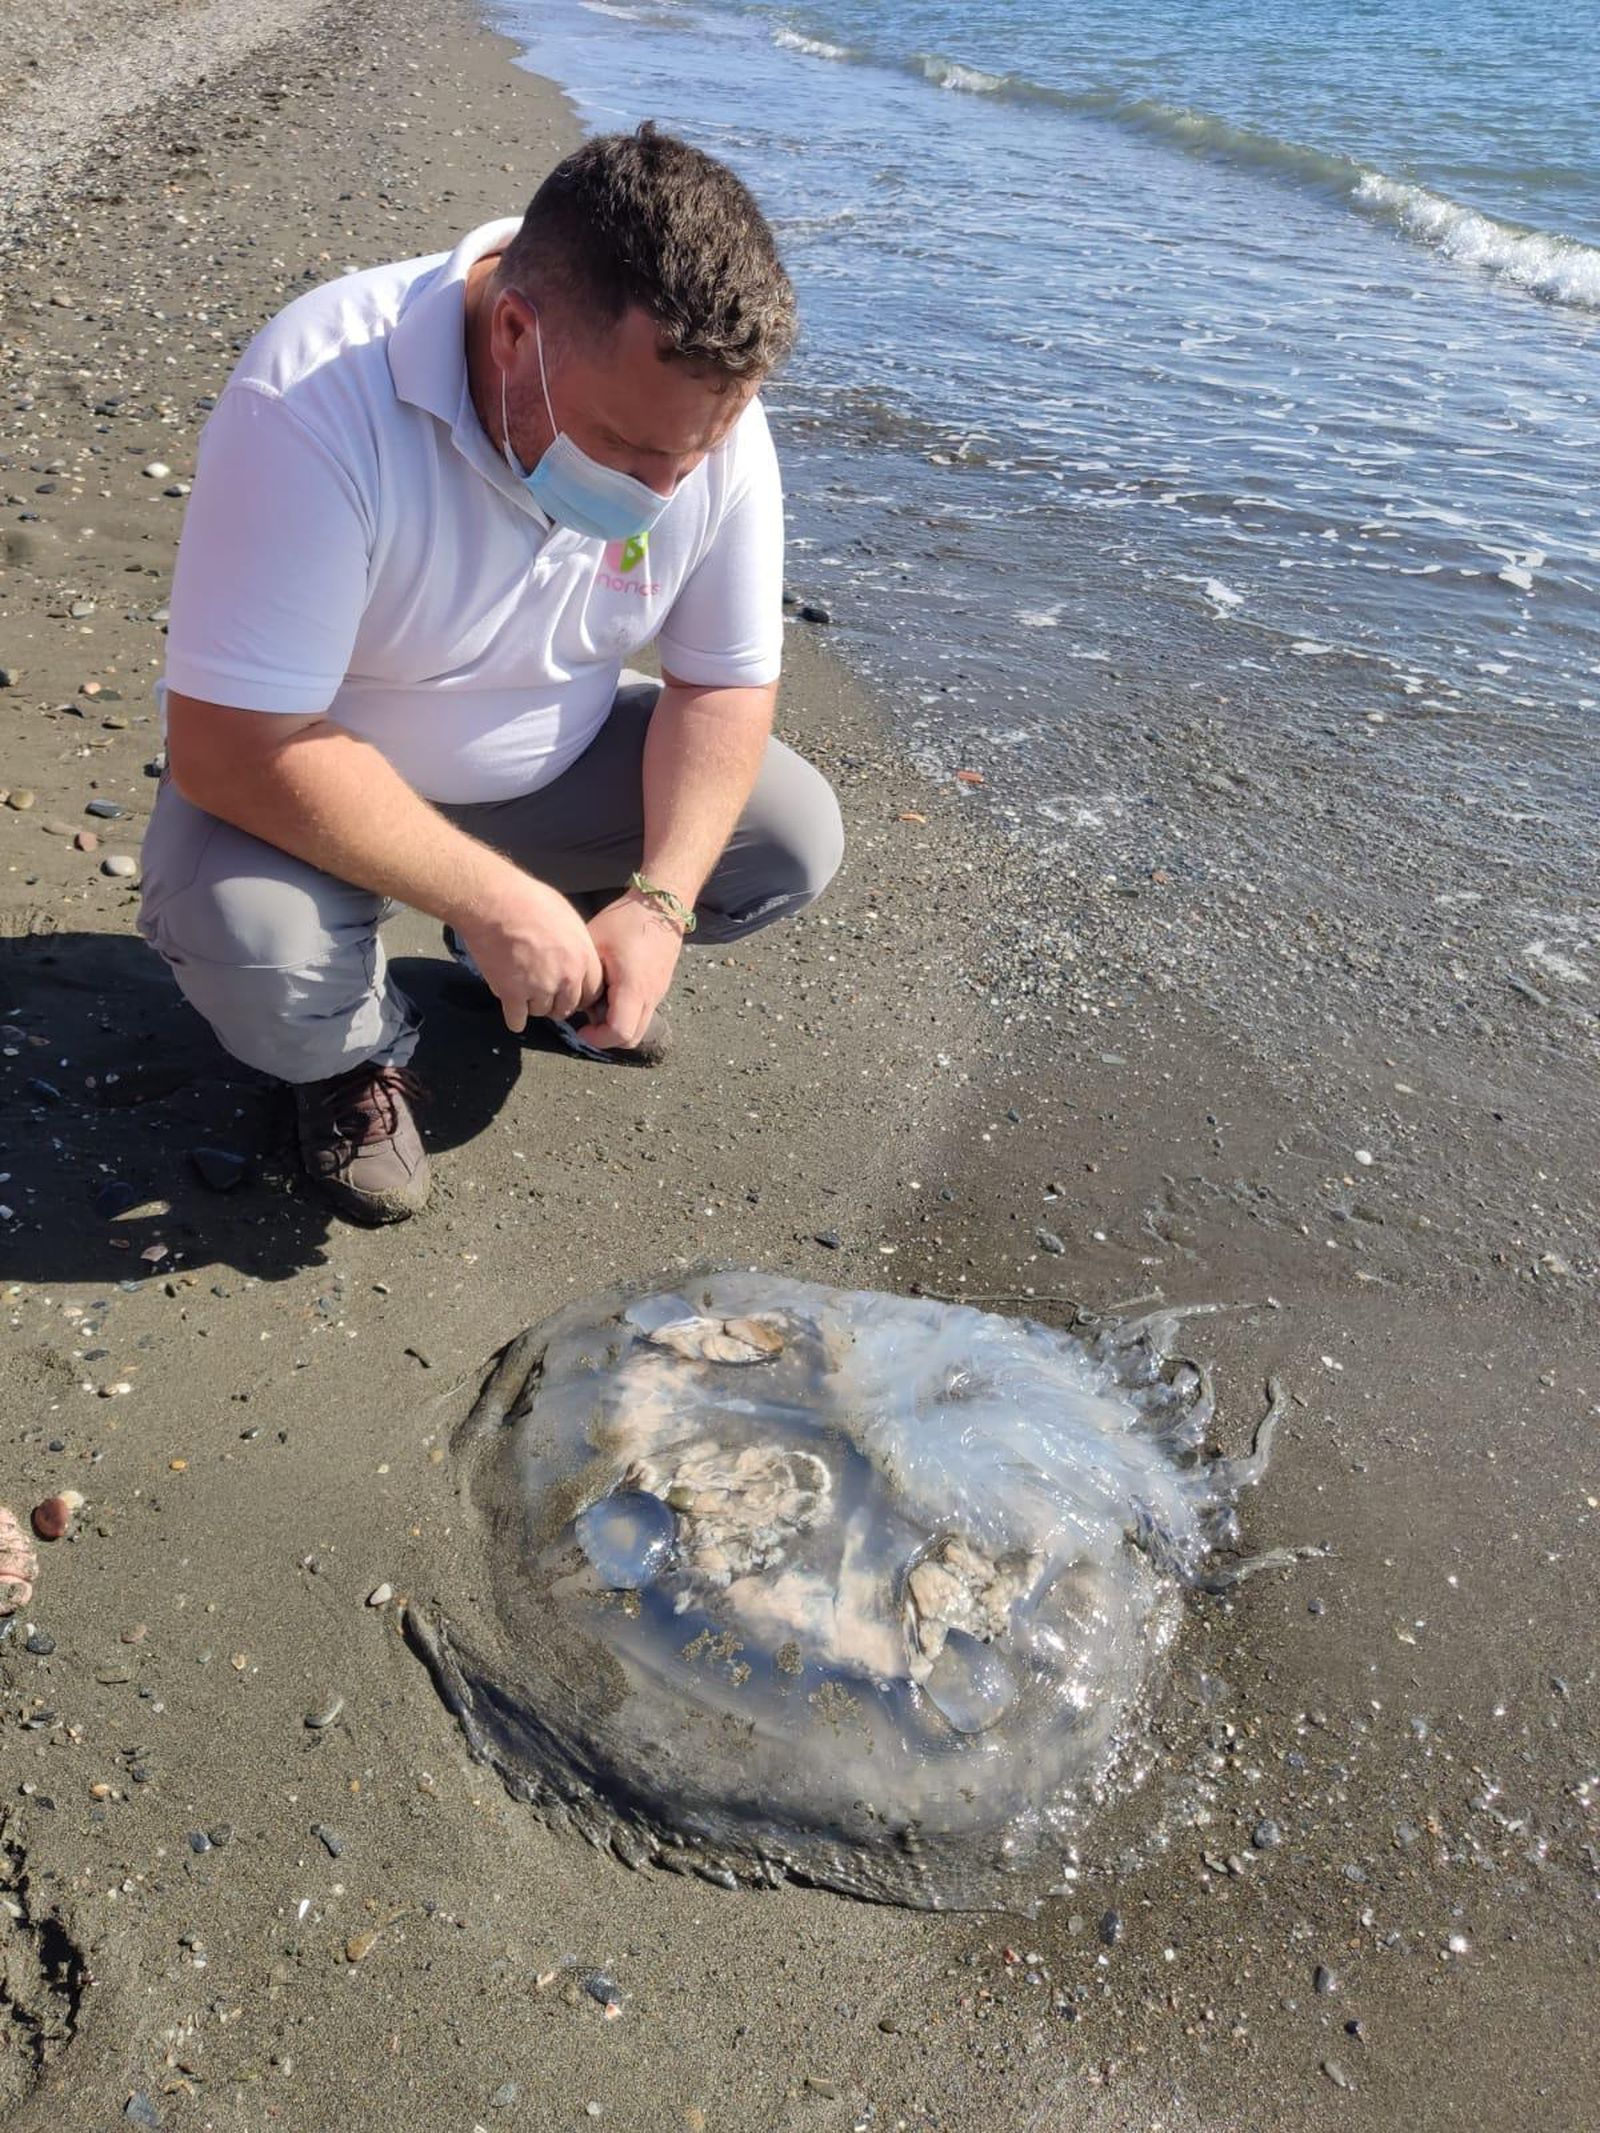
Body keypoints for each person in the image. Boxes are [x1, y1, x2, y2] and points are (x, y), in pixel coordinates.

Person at [137, 124, 843, 1226]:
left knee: (788, 836)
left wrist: (655, 907)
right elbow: (233, 746)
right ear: (515, 331)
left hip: (541, 775)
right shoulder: (319, 394)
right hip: (297, 788)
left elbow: (722, 687)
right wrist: (485, 887)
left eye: (690, 459)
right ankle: (349, 1059)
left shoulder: (693, 412)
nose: (661, 491)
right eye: (625, 451)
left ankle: (536, 954)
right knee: (261, 956)